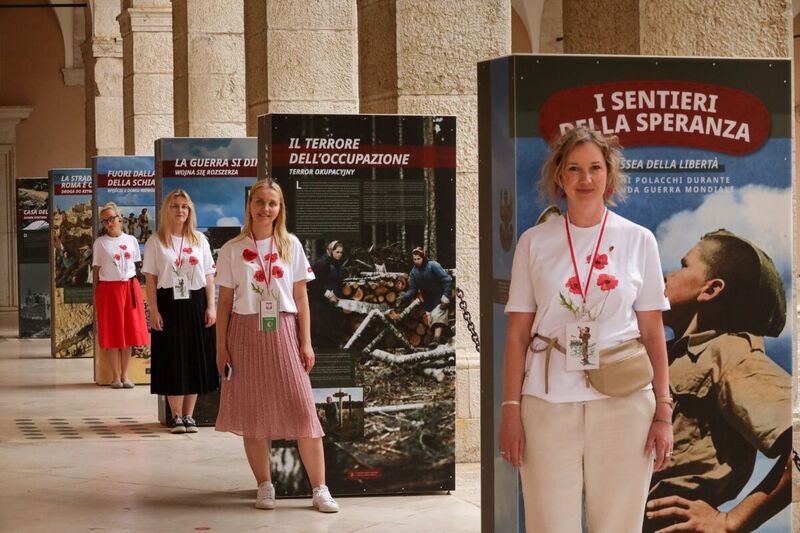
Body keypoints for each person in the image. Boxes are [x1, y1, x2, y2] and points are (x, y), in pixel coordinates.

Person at [498, 127, 673, 532]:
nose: (585, 179)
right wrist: (511, 411)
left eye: (595, 168)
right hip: (546, 403)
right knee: (549, 524)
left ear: (609, 177)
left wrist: (663, 410)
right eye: (574, 169)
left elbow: (652, 334)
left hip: (625, 404)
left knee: (618, 525)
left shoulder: (638, 240)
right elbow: (518, 335)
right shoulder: (534, 242)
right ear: (559, 176)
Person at [645, 229, 791, 532]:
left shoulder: (729, 353)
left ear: (710, 290)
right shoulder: (666, 359)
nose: (667, 275)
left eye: (684, 266)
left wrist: (729, 522)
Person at [214, 179, 339, 513]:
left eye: (272, 203)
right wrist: (221, 348)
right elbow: (224, 302)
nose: (265, 208)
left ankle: (320, 489)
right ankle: (264, 485)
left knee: (302, 410)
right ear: (249, 205)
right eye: (259, 202)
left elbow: (301, 297)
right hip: (244, 330)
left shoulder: (291, 245)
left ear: (280, 208)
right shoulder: (232, 249)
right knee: (253, 413)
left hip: (283, 328)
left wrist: (306, 341)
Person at [143, 190, 218, 434]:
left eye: (185, 207)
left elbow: (209, 275)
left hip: (195, 302)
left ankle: (189, 415)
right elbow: (151, 280)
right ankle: (175, 416)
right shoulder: (157, 241)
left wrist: (211, 305)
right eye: (175, 206)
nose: (180, 211)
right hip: (168, 302)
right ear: (167, 210)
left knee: (194, 357)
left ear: (190, 211)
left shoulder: (199, 240)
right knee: (172, 358)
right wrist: (153, 310)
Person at [91, 202, 149, 389]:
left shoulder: (131, 240)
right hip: (109, 289)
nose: (108, 223)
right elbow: (96, 270)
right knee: (113, 332)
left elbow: (136, 267)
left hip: (130, 287)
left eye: (111, 219)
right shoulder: (100, 243)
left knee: (129, 331)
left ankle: (126, 375)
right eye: (104, 221)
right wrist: (96, 293)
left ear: (120, 218)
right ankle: (115, 376)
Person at [394, 247, 452, 348]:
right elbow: (413, 290)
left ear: (423, 257)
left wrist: (446, 295)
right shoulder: (414, 272)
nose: (416, 261)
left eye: (418, 259)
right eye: (414, 259)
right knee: (429, 319)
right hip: (428, 301)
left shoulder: (433, 265)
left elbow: (446, 280)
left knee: (439, 313)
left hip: (440, 298)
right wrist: (403, 298)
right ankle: (443, 337)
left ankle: (437, 339)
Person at [308, 240, 345, 348]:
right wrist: (326, 293)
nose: (339, 255)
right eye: (337, 252)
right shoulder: (322, 263)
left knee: (331, 325)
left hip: (330, 300)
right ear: (331, 250)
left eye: (341, 253)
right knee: (320, 327)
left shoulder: (335, 263)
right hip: (318, 300)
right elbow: (313, 282)